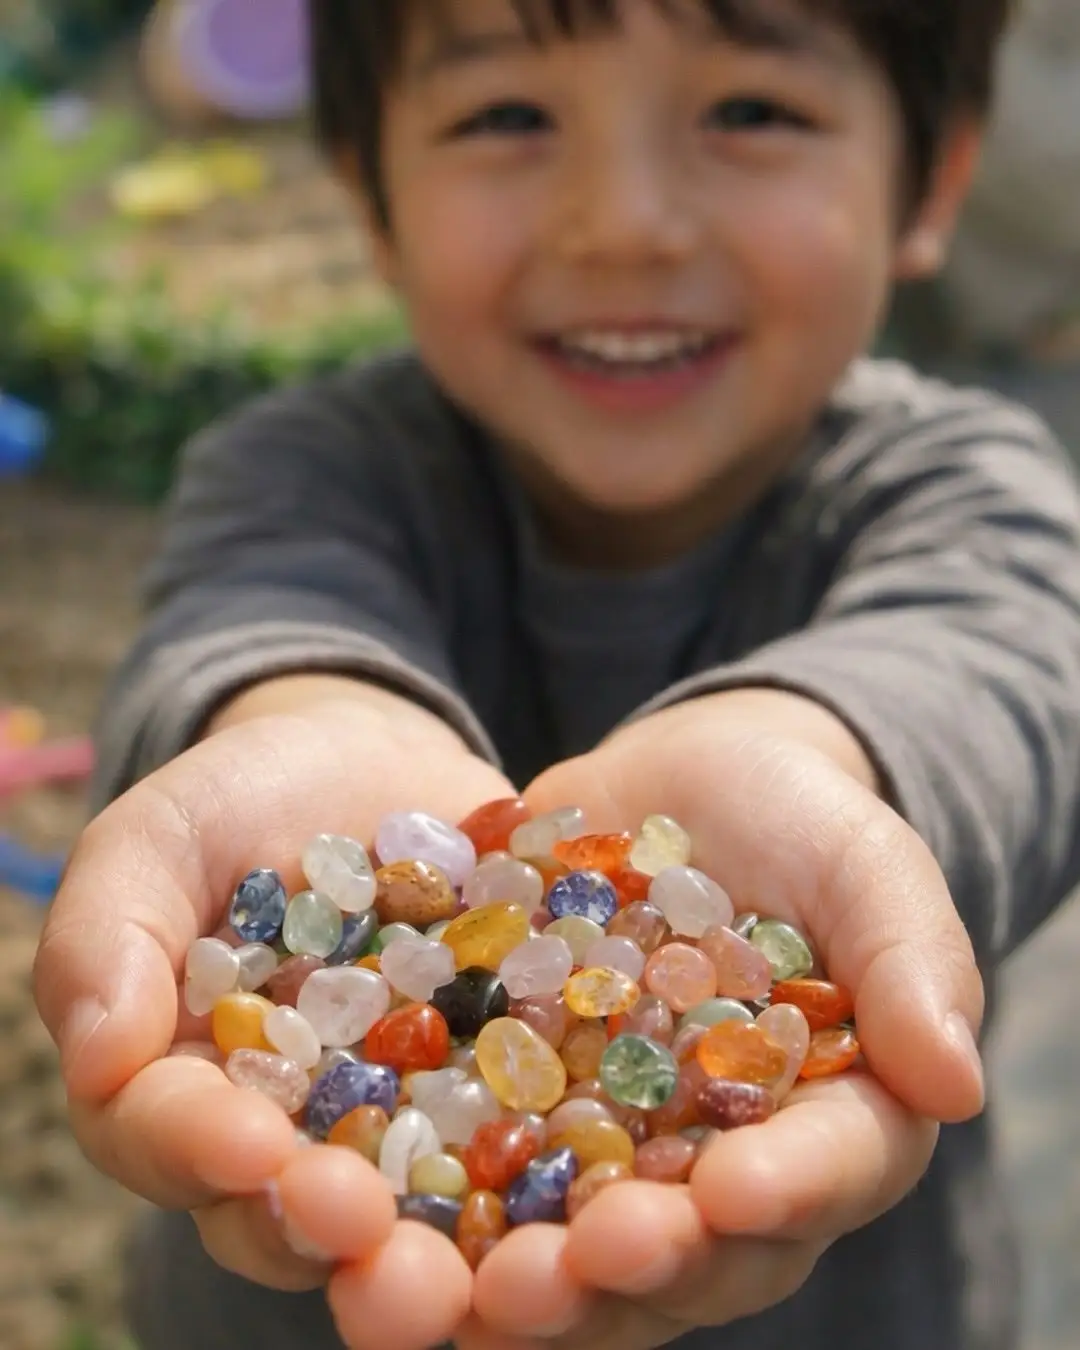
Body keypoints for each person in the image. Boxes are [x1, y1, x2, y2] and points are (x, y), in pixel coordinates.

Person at [31, 2, 1080, 1349]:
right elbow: (245, 619)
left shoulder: (967, 484)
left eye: (751, 111)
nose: (624, 223)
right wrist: (299, 712)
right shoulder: (297, 467)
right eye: (507, 116)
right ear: (368, 191)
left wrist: (812, 749)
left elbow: (1003, 662)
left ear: (931, 178)